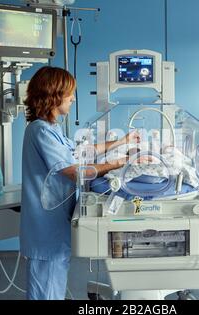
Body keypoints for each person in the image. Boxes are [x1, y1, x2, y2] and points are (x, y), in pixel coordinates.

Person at [20, 66, 139, 300]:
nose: (73, 98)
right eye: (70, 93)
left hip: (53, 225)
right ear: (54, 95)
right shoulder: (40, 131)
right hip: (46, 227)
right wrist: (119, 164)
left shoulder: (51, 129)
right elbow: (75, 171)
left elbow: (80, 152)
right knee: (46, 291)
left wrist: (120, 143)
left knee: (53, 286)